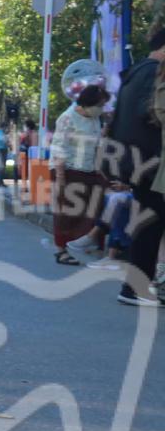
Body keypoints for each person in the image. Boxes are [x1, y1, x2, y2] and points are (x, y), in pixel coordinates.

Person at [105, 28, 165, 306]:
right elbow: (154, 117)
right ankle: (136, 288)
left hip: (135, 162)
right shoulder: (155, 74)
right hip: (154, 163)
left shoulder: (134, 73)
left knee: (148, 224)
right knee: (150, 225)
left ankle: (136, 286)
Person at [49, 84, 109, 266]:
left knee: (100, 205)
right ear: (87, 103)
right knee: (67, 211)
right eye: (99, 105)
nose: (101, 109)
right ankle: (61, 251)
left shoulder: (95, 119)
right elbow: (59, 148)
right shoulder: (67, 118)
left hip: (89, 169)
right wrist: (61, 178)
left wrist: (100, 170)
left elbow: (97, 145)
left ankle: (89, 243)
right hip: (67, 169)